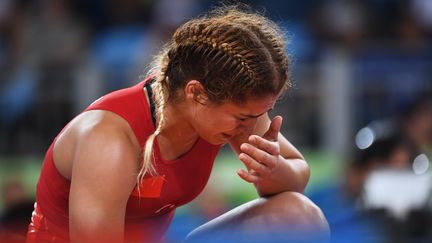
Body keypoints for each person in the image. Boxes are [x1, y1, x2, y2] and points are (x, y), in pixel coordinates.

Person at [26, 5, 329, 243]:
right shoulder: (109, 140)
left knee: (298, 214)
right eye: (244, 118)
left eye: (258, 115)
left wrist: (274, 170)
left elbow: (297, 179)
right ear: (196, 92)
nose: (251, 126)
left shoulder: (232, 113)